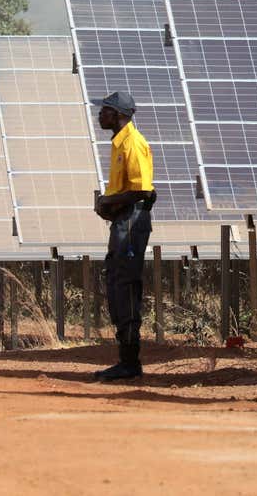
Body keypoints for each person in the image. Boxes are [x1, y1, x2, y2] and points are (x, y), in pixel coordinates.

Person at [89, 91, 155, 381]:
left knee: (125, 285)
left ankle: (130, 362)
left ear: (118, 115)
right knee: (116, 282)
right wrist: (109, 205)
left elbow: (143, 190)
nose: (99, 116)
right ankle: (125, 359)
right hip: (123, 221)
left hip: (132, 222)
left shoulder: (133, 143)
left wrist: (111, 204)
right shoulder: (119, 144)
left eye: (104, 111)